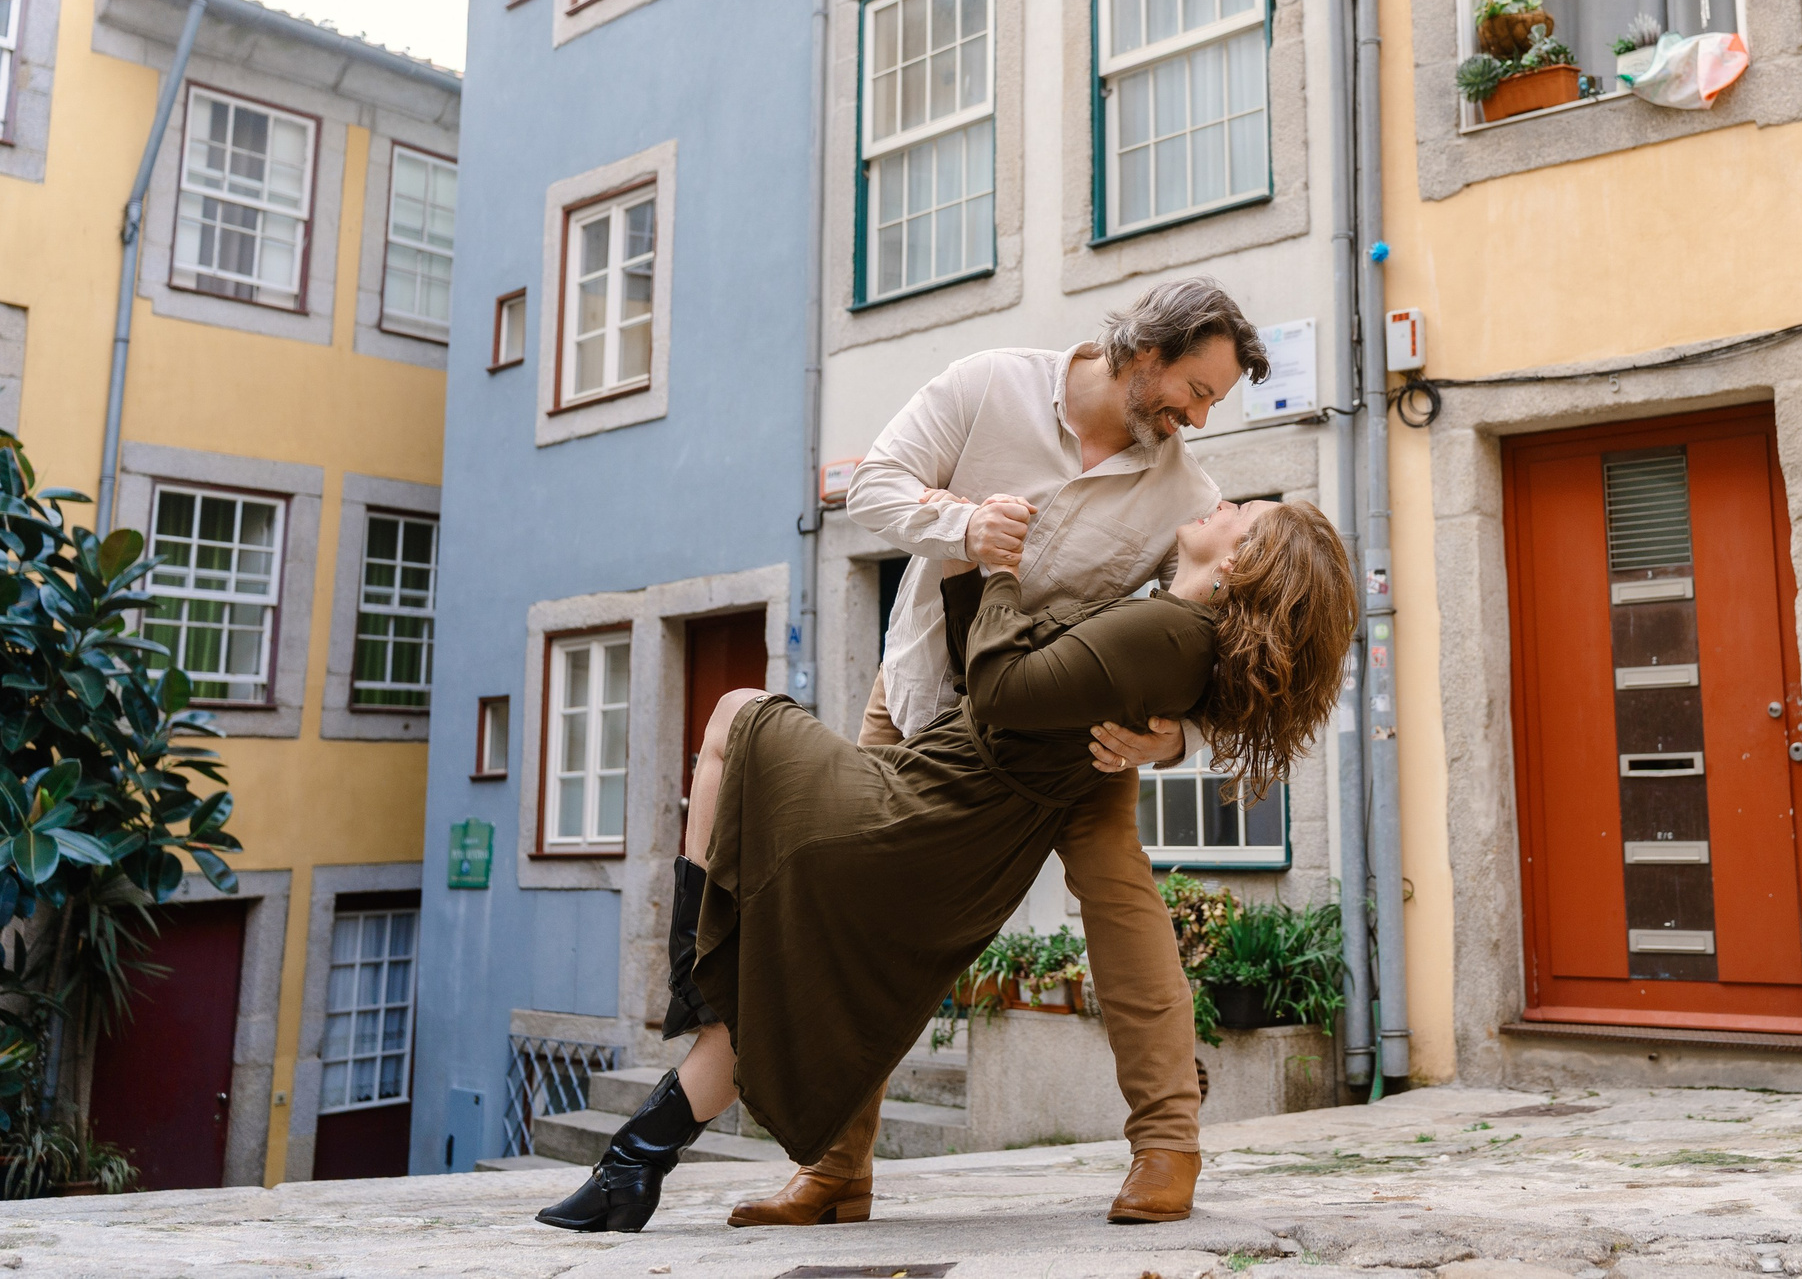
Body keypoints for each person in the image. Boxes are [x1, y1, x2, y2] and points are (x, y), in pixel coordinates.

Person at [533, 498, 1357, 1235]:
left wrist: (998, 570)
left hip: (924, 805)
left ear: (1240, 562)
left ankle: (689, 973)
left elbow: (999, 689)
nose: (1221, 500)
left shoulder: (1168, 628)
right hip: (957, 822)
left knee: (737, 713)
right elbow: (1008, 673)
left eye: (1243, 512)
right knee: (784, 993)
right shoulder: (1178, 640)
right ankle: (633, 1165)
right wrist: (972, 572)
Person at [778, 276, 1269, 1225]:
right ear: (1145, 352)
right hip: (921, 700)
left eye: (1214, 400)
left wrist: (1178, 736)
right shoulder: (987, 384)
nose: (1201, 417)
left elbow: (1236, 645)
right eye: (1198, 390)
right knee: (866, 918)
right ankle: (838, 1167)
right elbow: (870, 486)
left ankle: (1169, 1148)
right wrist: (962, 524)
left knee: (1124, 910)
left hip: (1072, 748)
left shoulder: (1188, 494)